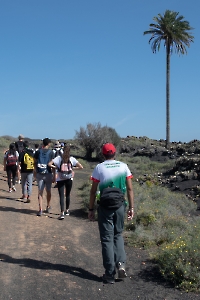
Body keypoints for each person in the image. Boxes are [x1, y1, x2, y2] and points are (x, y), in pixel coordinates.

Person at [88, 143, 134, 284]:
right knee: (117, 235)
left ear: (103, 154)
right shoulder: (123, 166)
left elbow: (93, 190)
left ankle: (109, 274)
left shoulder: (99, 168)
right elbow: (130, 189)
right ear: (115, 153)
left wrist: (91, 209)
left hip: (105, 206)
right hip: (120, 205)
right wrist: (131, 208)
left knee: (107, 239)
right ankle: (121, 264)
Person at [48, 144, 83, 220]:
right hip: (69, 178)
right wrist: (72, 169)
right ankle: (67, 210)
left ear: (62, 150)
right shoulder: (72, 159)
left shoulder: (58, 158)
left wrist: (56, 167)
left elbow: (49, 164)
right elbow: (81, 167)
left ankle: (62, 213)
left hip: (60, 178)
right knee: (67, 195)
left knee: (61, 196)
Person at [34, 138, 54, 216]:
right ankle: (48, 206)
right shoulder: (51, 152)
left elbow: (35, 162)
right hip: (48, 173)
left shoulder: (38, 152)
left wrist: (35, 171)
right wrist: (54, 175)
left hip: (39, 173)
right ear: (48, 144)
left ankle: (40, 209)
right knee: (48, 191)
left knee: (40, 191)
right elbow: (53, 164)